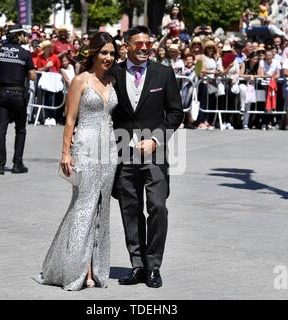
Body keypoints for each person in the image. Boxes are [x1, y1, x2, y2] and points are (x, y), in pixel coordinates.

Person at [34, 32, 118, 291]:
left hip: (109, 151)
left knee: (101, 211)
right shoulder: (80, 81)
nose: (108, 57)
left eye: (112, 53)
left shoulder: (114, 80)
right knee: (83, 208)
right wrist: (65, 153)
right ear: (93, 52)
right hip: (85, 149)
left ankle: (94, 269)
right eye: (103, 52)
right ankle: (72, 270)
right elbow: (70, 120)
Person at [111, 26, 184, 288]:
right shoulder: (113, 74)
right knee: (130, 210)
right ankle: (138, 265)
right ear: (127, 46)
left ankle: (154, 266)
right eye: (138, 44)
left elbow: (176, 113)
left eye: (147, 43)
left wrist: (156, 140)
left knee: (158, 207)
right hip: (123, 155)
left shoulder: (163, 74)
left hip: (155, 154)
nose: (144, 48)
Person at [0, 24, 36, 175]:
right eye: (22, 34)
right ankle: (17, 164)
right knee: (20, 129)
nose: (24, 37)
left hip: (1, 93)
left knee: (1, 129)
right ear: (18, 36)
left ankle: (0, 166)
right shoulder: (24, 54)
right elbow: (32, 76)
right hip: (18, 94)